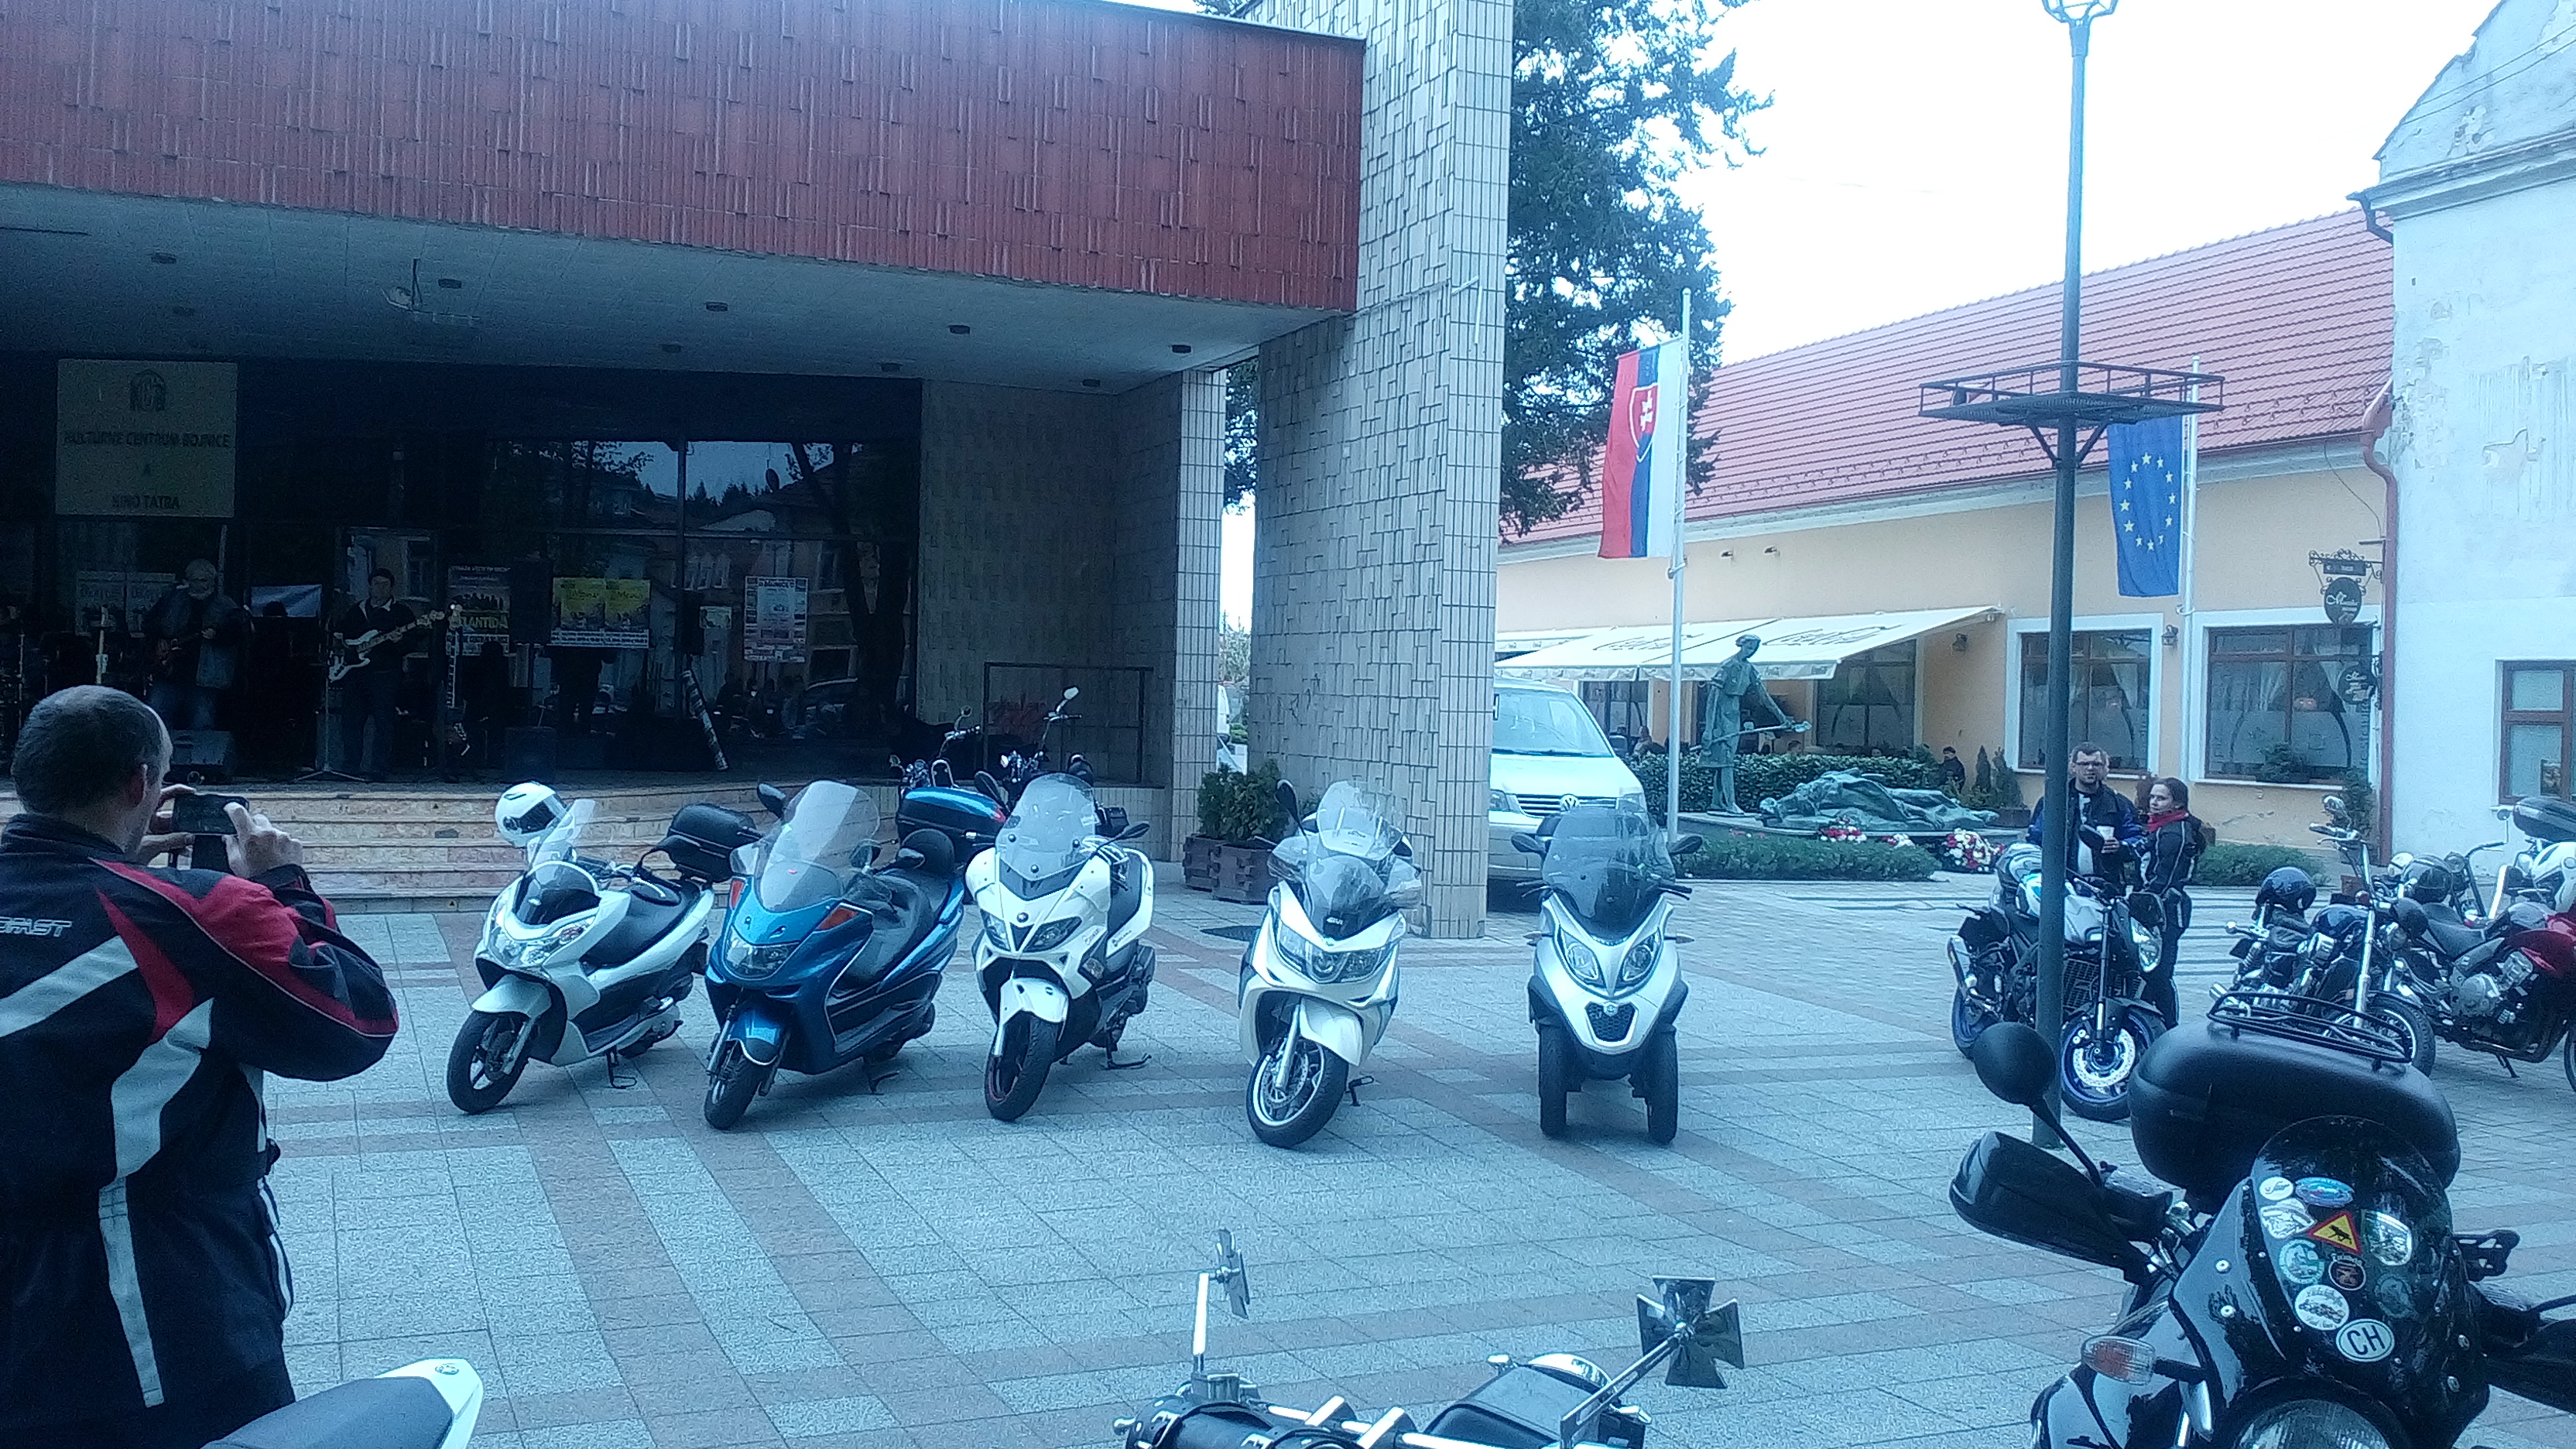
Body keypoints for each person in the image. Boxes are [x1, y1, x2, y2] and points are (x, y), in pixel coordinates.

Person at [0, 686, 395, 1447]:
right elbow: (358, 1021)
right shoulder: (197, 912)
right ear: (142, 785)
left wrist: (113, 867)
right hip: (162, 1327)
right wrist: (285, 888)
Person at [1698, 635, 1808, 814]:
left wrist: (1782, 718)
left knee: (1724, 760)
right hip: (1720, 716)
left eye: (1754, 649)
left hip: (1734, 714)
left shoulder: (1749, 669)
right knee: (1725, 760)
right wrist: (1709, 729)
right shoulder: (1727, 666)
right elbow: (1712, 699)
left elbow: (1764, 696)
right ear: (1742, 645)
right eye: (1749, 647)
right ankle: (1730, 803)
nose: (1751, 651)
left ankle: (1717, 802)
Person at [2137, 776, 2210, 1026]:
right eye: (2152, 797)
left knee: (2158, 973)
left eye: (2161, 798)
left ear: (2177, 803)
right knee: (2151, 972)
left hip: (2166, 910)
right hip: (2157, 907)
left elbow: (2164, 879)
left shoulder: (2174, 833)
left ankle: (2168, 1026)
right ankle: (2153, 1022)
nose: (2154, 802)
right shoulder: (2160, 827)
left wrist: (2141, 902)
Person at [142, 559, 247, 732]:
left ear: (212, 581)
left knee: (201, 721)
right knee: (156, 715)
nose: (199, 585)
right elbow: (150, 623)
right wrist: (158, 640)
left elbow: (240, 633)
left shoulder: (226, 605)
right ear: (188, 580)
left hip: (206, 675)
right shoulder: (171, 600)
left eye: (203, 580)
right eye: (194, 580)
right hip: (170, 671)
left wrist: (219, 635)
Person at [333, 568, 417, 781]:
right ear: (369, 586)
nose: (381, 588)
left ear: (391, 587)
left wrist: (400, 642)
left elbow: (413, 642)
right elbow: (342, 637)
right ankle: (351, 765)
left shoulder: (401, 612)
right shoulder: (356, 610)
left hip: (385, 674)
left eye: (385, 584)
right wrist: (344, 649)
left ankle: (380, 768)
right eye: (377, 583)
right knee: (352, 720)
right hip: (356, 674)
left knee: (383, 722)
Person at [2023, 742, 2145, 862]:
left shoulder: (2119, 803)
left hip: (2106, 874)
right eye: (2084, 764)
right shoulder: (2054, 802)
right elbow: (2034, 840)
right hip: (2061, 873)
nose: (2090, 768)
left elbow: (2138, 839)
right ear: (2073, 767)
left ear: (2104, 768)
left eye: (2096, 764)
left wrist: (2121, 846)